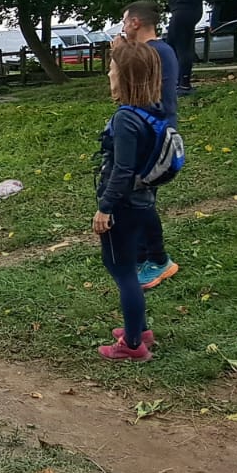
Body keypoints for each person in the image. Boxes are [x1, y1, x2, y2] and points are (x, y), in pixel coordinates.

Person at [94, 39, 165, 363]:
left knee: (123, 271)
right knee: (128, 268)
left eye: (112, 68)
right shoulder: (152, 111)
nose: (108, 73)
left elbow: (122, 170)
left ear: (123, 76)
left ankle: (133, 345)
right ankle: (140, 329)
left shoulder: (125, 118)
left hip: (122, 205)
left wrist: (105, 207)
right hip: (143, 201)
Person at [118, 2, 179, 290]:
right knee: (137, 197)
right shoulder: (159, 50)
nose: (122, 25)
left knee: (141, 200)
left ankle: (156, 259)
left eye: (124, 20)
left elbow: (150, 95)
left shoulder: (155, 51)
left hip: (151, 132)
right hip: (146, 128)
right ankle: (143, 256)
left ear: (136, 23)